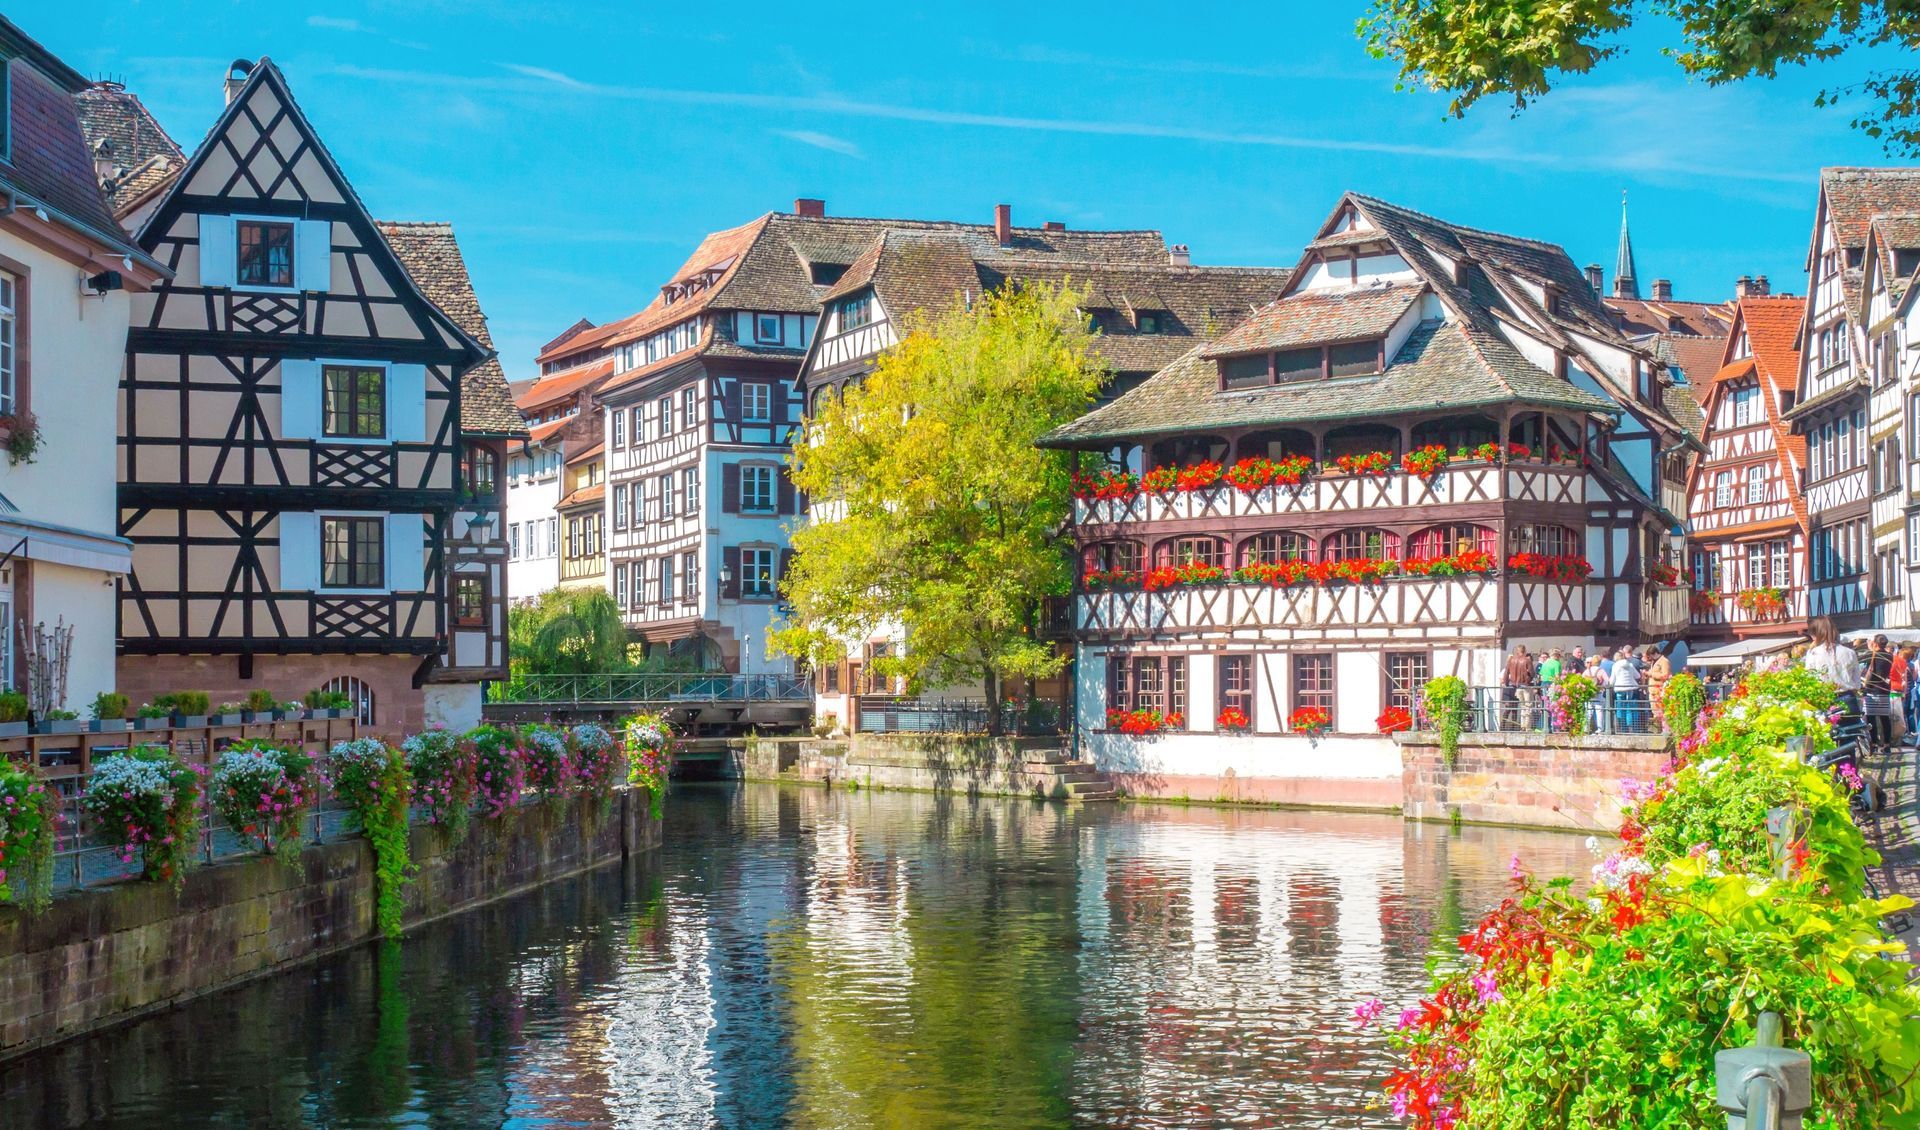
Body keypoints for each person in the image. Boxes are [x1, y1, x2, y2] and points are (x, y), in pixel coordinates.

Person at [1803, 616, 1861, 713]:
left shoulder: (1813, 653)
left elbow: (1810, 680)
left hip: (1825, 699)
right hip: (1848, 699)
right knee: (1852, 723)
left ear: (1816, 633)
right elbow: (1857, 682)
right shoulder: (1850, 652)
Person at [1863, 634, 1896, 750]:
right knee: (1884, 718)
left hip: (1872, 688)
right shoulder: (1890, 655)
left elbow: (1870, 671)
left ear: (1875, 643)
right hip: (1885, 688)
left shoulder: (1873, 655)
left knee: (1871, 717)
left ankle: (1874, 743)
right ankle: (1887, 744)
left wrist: (1865, 685)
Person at [1610, 644, 1644, 732]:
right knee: (1631, 709)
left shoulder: (1615, 665)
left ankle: (1623, 729)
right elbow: (1637, 676)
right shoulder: (1630, 664)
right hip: (1631, 688)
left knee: (1620, 709)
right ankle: (1634, 728)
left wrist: (1610, 685)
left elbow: (1612, 680)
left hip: (1620, 689)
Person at [1502, 645, 1535, 731]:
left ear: (1517, 651)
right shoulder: (1527, 660)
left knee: (1522, 706)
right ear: (1524, 651)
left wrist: (1506, 683)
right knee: (1528, 706)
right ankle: (1527, 727)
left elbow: (1506, 673)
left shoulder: (1511, 660)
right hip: (1525, 685)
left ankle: (1522, 726)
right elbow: (1532, 673)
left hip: (1515, 686)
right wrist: (1528, 680)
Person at [1643, 646, 1672, 729]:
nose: (1650, 658)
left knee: (1661, 711)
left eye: (1650, 656)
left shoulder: (1664, 661)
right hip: (1653, 691)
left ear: (1655, 653)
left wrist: (1651, 674)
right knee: (1655, 711)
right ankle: (1658, 729)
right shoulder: (1653, 662)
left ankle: (1665, 729)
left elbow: (1665, 675)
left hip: (1660, 691)